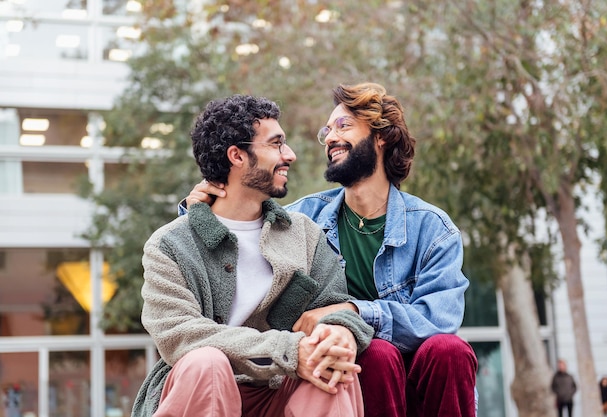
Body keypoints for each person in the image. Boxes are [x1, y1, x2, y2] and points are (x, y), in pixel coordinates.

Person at [181, 82, 478, 417]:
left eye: (343, 126)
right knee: (376, 352)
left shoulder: (432, 227)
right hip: (362, 372)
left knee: (450, 349)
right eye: (327, 131)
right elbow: (244, 226)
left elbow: (440, 318)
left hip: (423, 379)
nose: (330, 138)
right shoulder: (303, 218)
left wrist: (355, 310)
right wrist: (200, 208)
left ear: (382, 137)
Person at [131, 94, 374, 417]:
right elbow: (181, 335)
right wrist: (288, 350)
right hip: (208, 389)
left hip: (280, 389)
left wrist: (339, 333)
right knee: (206, 362)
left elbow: (336, 306)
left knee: (330, 369)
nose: (290, 155)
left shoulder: (303, 233)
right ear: (237, 156)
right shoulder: (170, 245)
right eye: (276, 144)